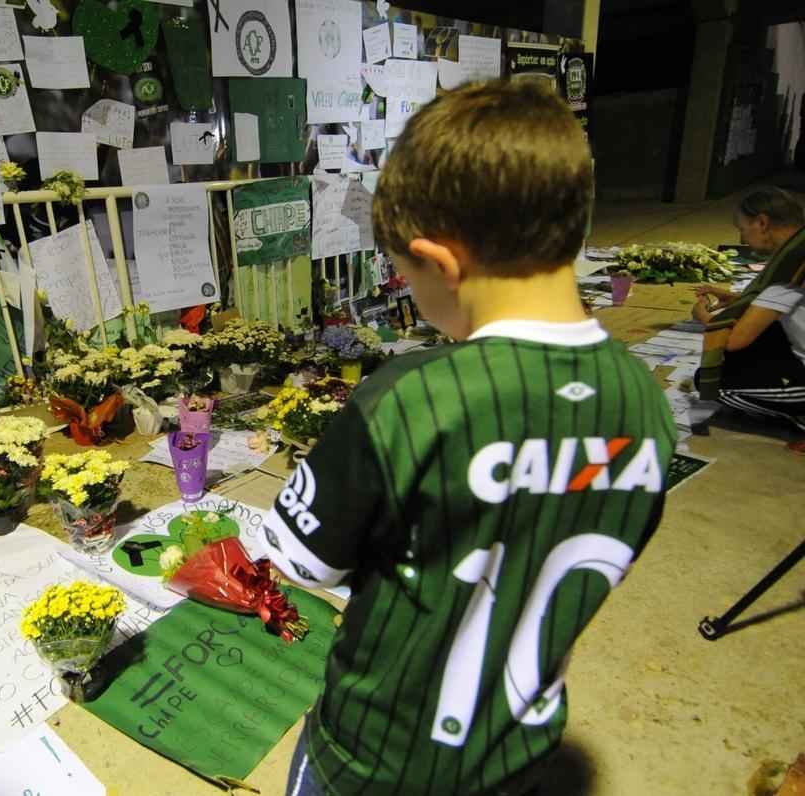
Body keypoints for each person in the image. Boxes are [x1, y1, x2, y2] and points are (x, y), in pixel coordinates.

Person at [262, 80, 676, 796]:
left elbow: (304, 563)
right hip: (514, 760)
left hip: (374, 761)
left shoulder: (408, 398)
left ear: (441, 263)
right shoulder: (647, 404)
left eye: (405, 272)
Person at [692, 188, 805, 432]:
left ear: (762, 223)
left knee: (709, 382)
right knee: (754, 343)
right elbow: (789, 303)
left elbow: (734, 340)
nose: (743, 240)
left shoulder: (788, 268)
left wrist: (706, 318)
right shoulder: (799, 249)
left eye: (743, 229)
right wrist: (736, 300)